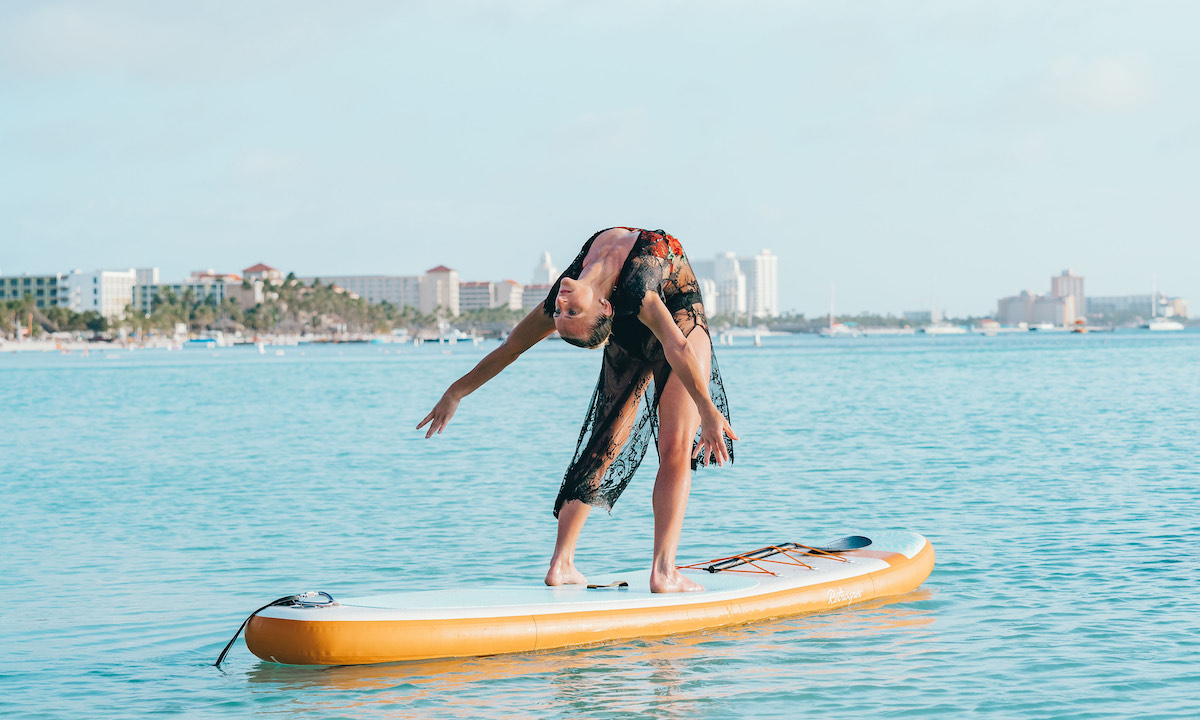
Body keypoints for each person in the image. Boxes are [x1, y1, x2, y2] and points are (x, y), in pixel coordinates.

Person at [417, 227, 737, 593]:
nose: (562, 304)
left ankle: (580, 564)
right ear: (604, 310)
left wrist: (708, 412)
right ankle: (631, 570)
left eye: (562, 312)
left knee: (655, 446)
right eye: (569, 312)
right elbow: (678, 347)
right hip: (675, 325)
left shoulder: (567, 293)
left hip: (659, 326)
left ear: (604, 308)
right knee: (635, 445)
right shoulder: (635, 292)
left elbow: (511, 347)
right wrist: (457, 392)